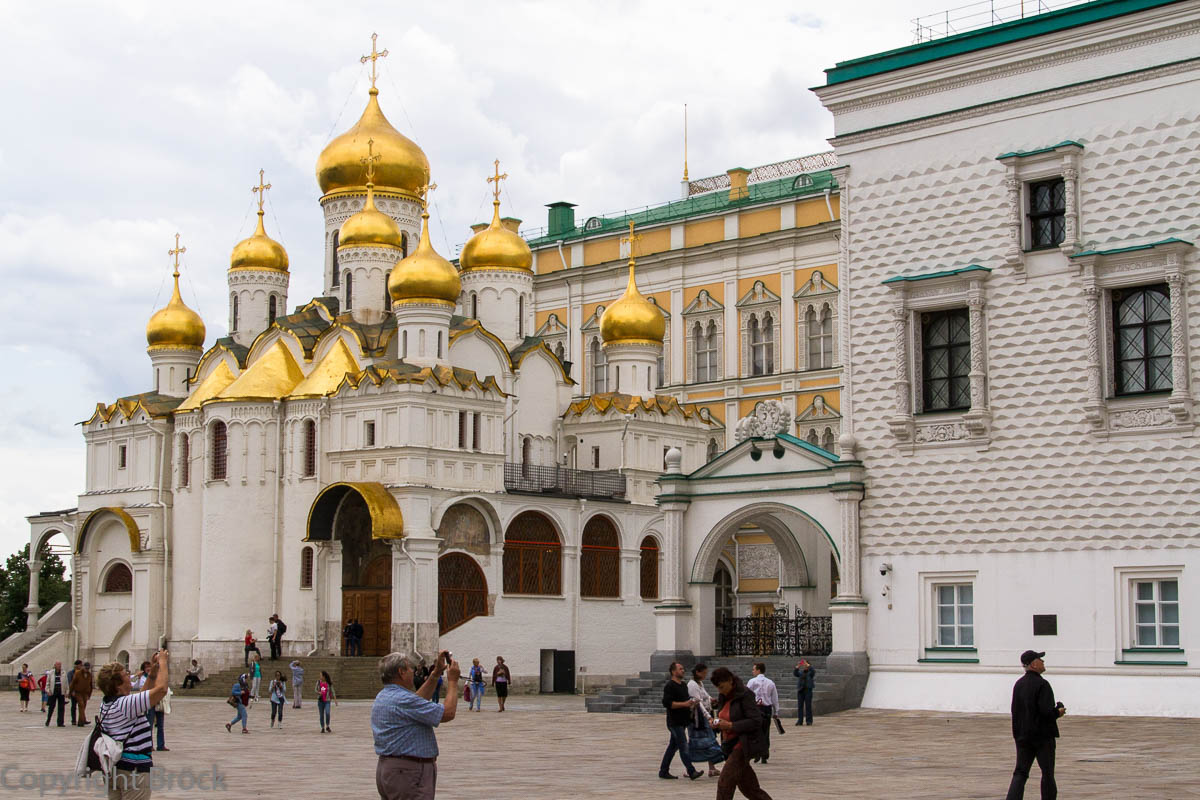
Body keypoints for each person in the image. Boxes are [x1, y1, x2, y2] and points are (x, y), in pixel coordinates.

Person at [372, 650, 461, 800]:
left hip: (392, 768)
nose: (413, 671)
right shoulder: (402, 700)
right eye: (409, 668)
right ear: (401, 672)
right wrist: (452, 681)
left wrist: (436, 673)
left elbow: (417, 702)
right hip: (408, 771)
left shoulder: (386, 695)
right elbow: (448, 713)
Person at [96, 651, 170, 799]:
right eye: (125, 675)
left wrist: (153, 674)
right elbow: (161, 689)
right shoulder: (125, 704)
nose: (130, 677)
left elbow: (141, 698)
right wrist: (163, 662)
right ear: (118, 684)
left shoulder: (108, 704)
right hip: (134, 768)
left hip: (116, 767)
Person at [1005, 650, 1066, 800]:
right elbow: (1046, 712)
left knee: (1020, 772)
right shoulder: (1042, 684)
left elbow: (1016, 710)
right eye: (1040, 659)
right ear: (1033, 664)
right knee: (1047, 773)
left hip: (1022, 736)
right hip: (1042, 737)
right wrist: (1058, 712)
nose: (1043, 662)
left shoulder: (1019, 684)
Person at [710, 666, 773, 800]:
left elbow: (756, 721)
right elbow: (724, 716)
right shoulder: (723, 696)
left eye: (721, 687)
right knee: (750, 788)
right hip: (729, 744)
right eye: (718, 688)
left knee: (724, 783)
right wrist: (716, 724)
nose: (720, 691)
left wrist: (731, 725)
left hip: (743, 744)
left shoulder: (745, 695)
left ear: (730, 680)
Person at [659, 661, 703, 780]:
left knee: (673, 746)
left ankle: (663, 771)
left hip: (683, 721)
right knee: (683, 745)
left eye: (683, 668)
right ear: (673, 671)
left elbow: (687, 700)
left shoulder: (683, 685)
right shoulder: (670, 686)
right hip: (674, 722)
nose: (683, 670)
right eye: (680, 669)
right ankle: (691, 771)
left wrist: (692, 704)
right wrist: (685, 704)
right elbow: (668, 704)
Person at [688, 663, 724, 778]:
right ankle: (689, 768)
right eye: (703, 673)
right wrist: (708, 717)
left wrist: (711, 699)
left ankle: (712, 768)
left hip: (706, 715)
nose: (705, 675)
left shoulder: (700, 683)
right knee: (698, 742)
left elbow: (705, 696)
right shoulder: (692, 685)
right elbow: (698, 703)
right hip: (698, 718)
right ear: (698, 672)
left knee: (710, 741)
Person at [745, 662, 781, 764]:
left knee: (755, 731)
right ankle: (764, 754)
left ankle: (757, 752)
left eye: (754, 669)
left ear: (758, 670)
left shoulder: (752, 682)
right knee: (765, 731)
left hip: (756, 709)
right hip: (767, 708)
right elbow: (774, 698)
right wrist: (776, 711)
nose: (752, 671)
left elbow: (747, 696)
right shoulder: (770, 683)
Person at [793, 659, 816, 726]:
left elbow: (813, 671)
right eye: (804, 665)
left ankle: (809, 721)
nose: (804, 666)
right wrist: (797, 667)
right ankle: (800, 721)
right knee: (800, 706)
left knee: (808, 706)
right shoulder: (800, 672)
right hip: (800, 690)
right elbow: (795, 673)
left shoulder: (810, 672)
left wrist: (808, 665)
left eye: (805, 665)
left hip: (808, 690)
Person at [44, 661, 66, 727]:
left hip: (61, 692)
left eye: (60, 664)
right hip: (53, 692)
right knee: (51, 707)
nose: (59, 666)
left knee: (61, 708)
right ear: (55, 665)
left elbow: (66, 683)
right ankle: (48, 720)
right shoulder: (51, 673)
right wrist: (48, 690)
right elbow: (47, 683)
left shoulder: (63, 672)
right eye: (58, 664)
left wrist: (67, 691)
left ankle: (60, 722)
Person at [72, 661, 94, 726]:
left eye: (88, 668)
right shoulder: (78, 673)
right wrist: (72, 691)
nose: (87, 669)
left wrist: (89, 694)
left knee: (83, 707)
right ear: (83, 667)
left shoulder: (89, 675)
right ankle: (81, 722)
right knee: (81, 705)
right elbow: (73, 683)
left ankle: (81, 720)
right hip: (78, 692)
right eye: (86, 668)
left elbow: (90, 685)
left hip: (85, 693)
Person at [67, 659, 82, 725]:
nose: (81, 666)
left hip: (81, 692)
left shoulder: (82, 672)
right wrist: (72, 691)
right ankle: (73, 720)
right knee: (73, 706)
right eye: (80, 665)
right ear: (77, 665)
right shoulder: (71, 673)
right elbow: (70, 682)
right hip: (74, 691)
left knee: (82, 706)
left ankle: (81, 719)